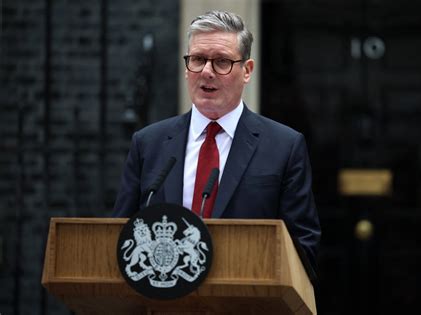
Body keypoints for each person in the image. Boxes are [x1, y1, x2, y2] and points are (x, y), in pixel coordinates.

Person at [113, 10, 321, 274]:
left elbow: (303, 247)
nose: (207, 72)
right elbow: (120, 235)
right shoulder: (148, 143)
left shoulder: (284, 146)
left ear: (247, 71)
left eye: (222, 62)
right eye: (198, 59)